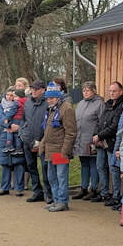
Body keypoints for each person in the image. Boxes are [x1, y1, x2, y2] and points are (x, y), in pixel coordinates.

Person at [40, 82, 78, 212]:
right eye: (47, 98)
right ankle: (56, 200)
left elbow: (71, 132)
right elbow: (48, 130)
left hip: (60, 150)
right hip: (50, 150)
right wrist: (42, 145)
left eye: (51, 98)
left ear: (58, 97)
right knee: (52, 177)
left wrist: (65, 151)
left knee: (61, 177)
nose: (48, 100)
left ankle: (62, 202)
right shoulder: (52, 109)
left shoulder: (66, 109)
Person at [73, 81, 104, 201]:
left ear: (94, 91)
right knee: (83, 164)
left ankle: (94, 188)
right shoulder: (80, 103)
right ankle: (83, 188)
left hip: (92, 140)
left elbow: (102, 121)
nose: (85, 92)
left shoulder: (99, 103)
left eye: (88, 90)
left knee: (93, 164)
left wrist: (98, 136)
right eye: (84, 90)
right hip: (80, 139)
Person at [96, 81, 123, 205]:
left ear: (120, 92)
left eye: (114, 91)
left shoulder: (121, 106)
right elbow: (100, 122)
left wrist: (100, 135)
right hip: (101, 141)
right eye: (110, 91)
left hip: (112, 142)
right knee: (100, 167)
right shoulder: (107, 105)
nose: (112, 93)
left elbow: (115, 126)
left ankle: (116, 194)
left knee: (113, 169)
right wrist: (96, 135)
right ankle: (104, 193)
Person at [0, 87, 27, 196]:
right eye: (8, 95)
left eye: (12, 95)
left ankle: (19, 188)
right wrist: (9, 125)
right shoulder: (0, 106)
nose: (10, 97)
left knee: (18, 163)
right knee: (5, 163)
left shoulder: (19, 106)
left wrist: (18, 127)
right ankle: (4, 187)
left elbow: (24, 118)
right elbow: (0, 119)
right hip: (4, 137)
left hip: (17, 136)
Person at [21, 81, 50, 202]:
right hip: (28, 140)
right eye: (32, 88)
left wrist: (42, 140)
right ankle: (37, 191)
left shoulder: (48, 103)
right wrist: (22, 133)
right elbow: (23, 120)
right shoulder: (28, 103)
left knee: (45, 168)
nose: (33, 91)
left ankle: (48, 193)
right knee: (31, 167)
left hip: (43, 142)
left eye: (36, 89)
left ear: (43, 90)